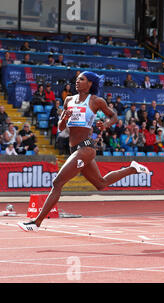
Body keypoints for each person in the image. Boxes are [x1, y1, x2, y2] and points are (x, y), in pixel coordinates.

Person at [18, 71, 150, 232]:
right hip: (73, 148)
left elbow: (114, 117)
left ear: (90, 84)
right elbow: (60, 128)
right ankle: (133, 168)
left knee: (57, 183)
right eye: (78, 79)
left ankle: (36, 223)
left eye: (82, 79)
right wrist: (64, 118)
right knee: (101, 184)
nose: (77, 81)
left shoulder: (95, 101)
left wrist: (105, 125)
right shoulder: (68, 100)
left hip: (86, 147)